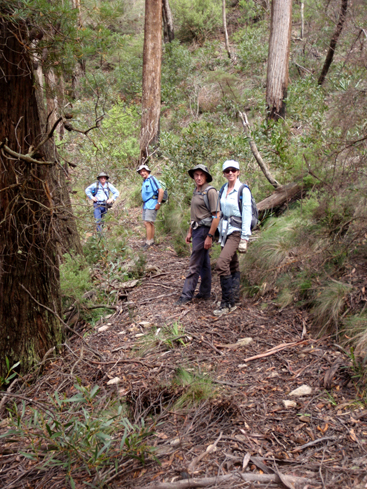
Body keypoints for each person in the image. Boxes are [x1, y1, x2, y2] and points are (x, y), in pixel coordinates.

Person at [175, 164, 220, 306]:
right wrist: (189, 232)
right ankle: (205, 292)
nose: (198, 177)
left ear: (206, 176)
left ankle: (186, 295)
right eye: (196, 175)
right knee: (204, 263)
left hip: (204, 231)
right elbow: (194, 215)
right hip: (196, 230)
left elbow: (216, 216)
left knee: (194, 264)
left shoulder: (210, 192)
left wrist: (210, 236)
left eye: (201, 175)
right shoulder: (196, 190)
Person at [213, 160, 252, 316]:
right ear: (224, 173)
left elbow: (247, 214)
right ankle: (233, 300)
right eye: (227, 170)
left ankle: (226, 303)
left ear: (238, 172)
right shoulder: (223, 189)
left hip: (236, 231)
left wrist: (245, 238)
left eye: (233, 170)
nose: (230, 173)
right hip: (224, 231)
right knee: (232, 264)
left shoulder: (243, 190)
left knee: (221, 264)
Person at [137, 164, 164, 250]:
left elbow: (161, 190)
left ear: (148, 171)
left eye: (144, 171)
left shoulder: (152, 179)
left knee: (147, 223)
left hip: (152, 203)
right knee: (150, 223)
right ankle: (151, 240)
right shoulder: (145, 181)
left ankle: (148, 242)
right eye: (141, 172)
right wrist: (143, 207)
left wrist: (158, 203)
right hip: (146, 204)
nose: (142, 173)